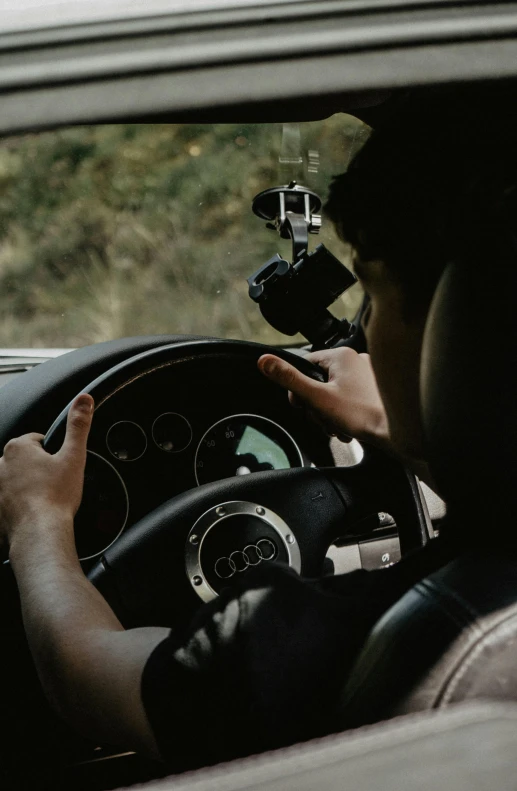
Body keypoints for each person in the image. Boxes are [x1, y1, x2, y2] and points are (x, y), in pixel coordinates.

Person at [0, 84, 515, 773]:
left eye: (375, 294)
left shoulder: (323, 643)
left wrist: (39, 525)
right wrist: (406, 432)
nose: (362, 330)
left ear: (460, 324)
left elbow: (89, 675)